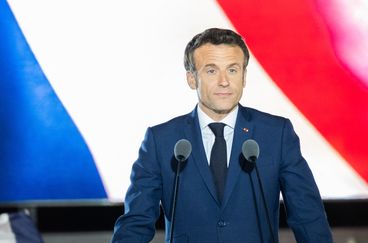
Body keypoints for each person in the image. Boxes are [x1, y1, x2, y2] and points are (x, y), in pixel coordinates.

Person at [111, 28, 333, 243]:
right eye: (211, 70)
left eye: (233, 70)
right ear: (191, 79)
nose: (224, 81)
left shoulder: (277, 134)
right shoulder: (161, 140)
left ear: (244, 77)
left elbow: (308, 216)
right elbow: (136, 221)